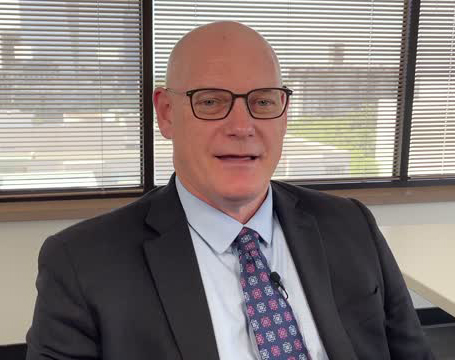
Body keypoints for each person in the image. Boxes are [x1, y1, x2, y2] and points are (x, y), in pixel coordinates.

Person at [26, 21, 434, 360]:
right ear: (167, 114)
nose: (242, 126)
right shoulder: (82, 265)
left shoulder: (351, 225)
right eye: (210, 102)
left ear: (284, 114)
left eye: (262, 101)